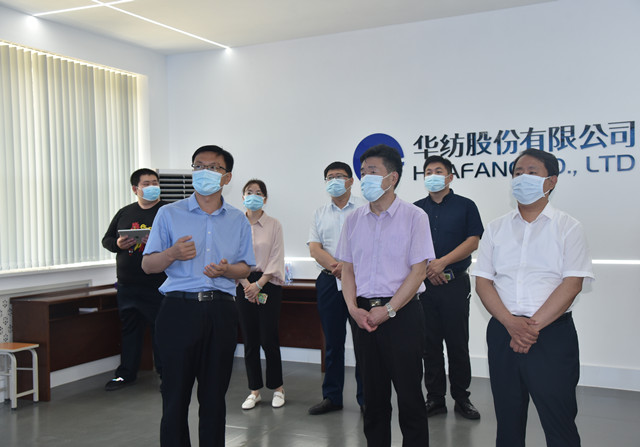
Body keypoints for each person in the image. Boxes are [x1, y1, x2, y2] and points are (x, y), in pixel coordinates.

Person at [472, 148, 594, 447]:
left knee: (559, 421)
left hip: (551, 335)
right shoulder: (496, 228)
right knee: (508, 420)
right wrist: (510, 324)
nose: (522, 178)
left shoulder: (569, 227)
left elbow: (572, 284)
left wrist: (529, 328)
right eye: (517, 173)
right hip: (503, 332)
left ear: (551, 181)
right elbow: (483, 282)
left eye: (531, 172)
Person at [142, 145, 255, 447]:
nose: (205, 172)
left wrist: (227, 270)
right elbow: (148, 265)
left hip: (221, 312)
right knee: (174, 396)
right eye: (198, 166)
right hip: (178, 311)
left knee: (214, 397)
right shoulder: (169, 213)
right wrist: (172, 253)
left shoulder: (238, 219)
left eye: (213, 167)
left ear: (227, 177)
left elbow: (246, 267)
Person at [336, 144, 435, 447]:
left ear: (392, 177)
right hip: (364, 317)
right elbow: (347, 269)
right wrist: (352, 308)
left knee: (409, 397)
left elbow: (418, 272)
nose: (364, 177)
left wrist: (389, 309)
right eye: (362, 171)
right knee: (373, 399)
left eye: (372, 171)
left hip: (402, 315)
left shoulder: (415, 217)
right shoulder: (353, 219)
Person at [413, 156, 483, 419]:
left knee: (457, 343)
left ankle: (462, 398)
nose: (432, 175)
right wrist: (428, 270)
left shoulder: (466, 206)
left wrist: (441, 263)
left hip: (455, 283)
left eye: (438, 171)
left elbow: (473, 241)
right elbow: (409, 245)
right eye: (428, 172)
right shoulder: (416, 209)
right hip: (424, 285)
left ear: (450, 176)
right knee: (428, 344)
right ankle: (435, 398)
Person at [307, 161, 366, 415]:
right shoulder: (320, 213)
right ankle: (332, 397)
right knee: (332, 342)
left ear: (351, 181)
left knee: (363, 342)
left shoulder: (365, 208)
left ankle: (366, 399)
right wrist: (337, 267)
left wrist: (348, 268)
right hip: (329, 281)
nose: (334, 181)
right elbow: (314, 248)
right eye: (329, 177)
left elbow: (370, 244)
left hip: (361, 281)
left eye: (339, 176)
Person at [101, 168, 167, 391]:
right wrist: (118, 244)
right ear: (134, 189)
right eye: (146, 183)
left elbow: (180, 241)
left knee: (161, 331)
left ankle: (166, 375)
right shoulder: (125, 212)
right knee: (130, 331)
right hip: (128, 285)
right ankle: (125, 375)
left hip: (158, 285)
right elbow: (107, 240)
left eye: (155, 182)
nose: (152, 187)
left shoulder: (167, 211)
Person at [236, 179, 286, 410]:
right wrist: (247, 284)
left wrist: (259, 284)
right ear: (243, 196)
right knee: (250, 340)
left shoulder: (274, 224)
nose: (253, 196)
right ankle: (254, 390)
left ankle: (278, 388)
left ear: (265, 199)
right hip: (243, 283)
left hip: (268, 283)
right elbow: (232, 256)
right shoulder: (236, 224)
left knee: (268, 338)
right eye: (249, 192)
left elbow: (276, 257)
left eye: (258, 192)